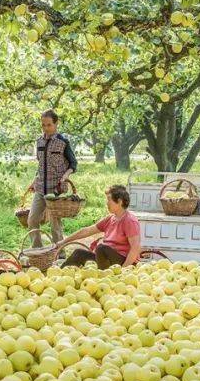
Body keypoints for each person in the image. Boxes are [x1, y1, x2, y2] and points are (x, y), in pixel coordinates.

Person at [27, 109, 77, 248]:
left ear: (56, 124)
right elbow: (41, 165)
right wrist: (34, 181)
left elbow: (73, 164)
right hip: (40, 187)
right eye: (43, 125)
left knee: (55, 224)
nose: (46, 128)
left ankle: (59, 252)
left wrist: (66, 176)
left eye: (49, 125)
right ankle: (38, 250)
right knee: (32, 220)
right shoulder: (39, 142)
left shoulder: (63, 142)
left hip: (56, 189)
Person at [58, 185, 141, 269]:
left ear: (119, 201)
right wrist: (64, 241)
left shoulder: (129, 221)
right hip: (105, 257)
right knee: (79, 253)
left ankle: (103, 276)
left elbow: (135, 248)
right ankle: (59, 275)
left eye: (109, 199)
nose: (107, 203)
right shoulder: (110, 219)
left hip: (123, 261)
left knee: (101, 248)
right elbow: (86, 231)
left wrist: (123, 270)